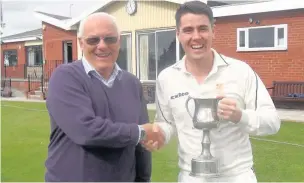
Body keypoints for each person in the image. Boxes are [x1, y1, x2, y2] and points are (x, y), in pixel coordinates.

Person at [142, 1, 281, 183]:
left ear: (213, 30)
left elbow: (272, 122)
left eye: (203, 28)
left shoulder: (241, 71)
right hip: (191, 177)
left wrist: (240, 116)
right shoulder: (166, 78)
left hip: (237, 177)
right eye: (188, 30)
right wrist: (158, 134)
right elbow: (167, 123)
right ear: (178, 34)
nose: (196, 36)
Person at [45, 12, 163, 182]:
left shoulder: (132, 83)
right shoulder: (65, 77)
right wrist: (140, 132)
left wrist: (144, 179)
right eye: (93, 40)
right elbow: (86, 131)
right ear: (81, 43)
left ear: (119, 41)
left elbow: (141, 147)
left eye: (110, 39)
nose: (102, 46)